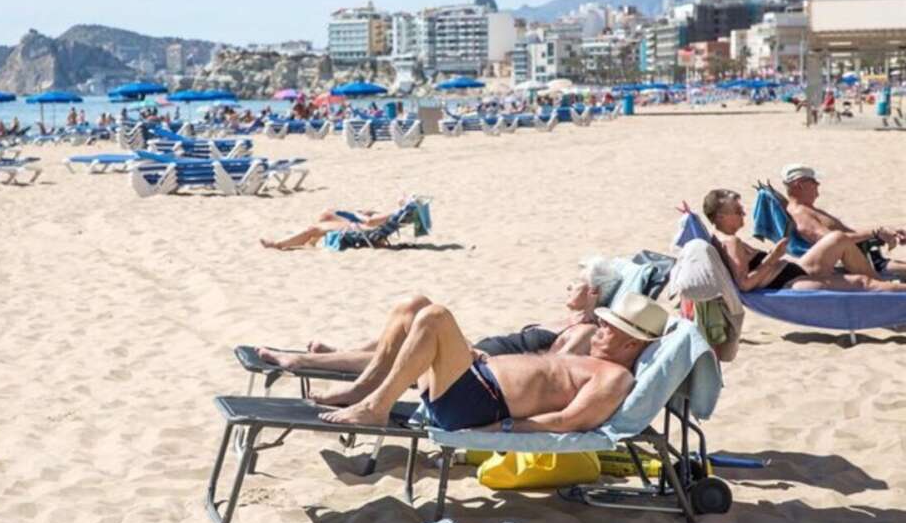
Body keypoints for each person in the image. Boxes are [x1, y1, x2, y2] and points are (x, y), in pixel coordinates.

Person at [317, 292, 668, 431]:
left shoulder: (614, 377)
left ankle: (376, 407)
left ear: (632, 341)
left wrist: (501, 431)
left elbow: (568, 420)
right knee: (413, 305)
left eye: (610, 326)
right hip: (473, 379)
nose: (601, 327)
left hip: (477, 404)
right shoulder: (588, 356)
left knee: (435, 317)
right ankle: (364, 389)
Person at [257, 269, 621, 394]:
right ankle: (333, 355)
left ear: (593, 293)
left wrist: (485, 359)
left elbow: (552, 371)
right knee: (412, 306)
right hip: (479, 355)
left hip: (484, 370)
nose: (567, 287)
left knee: (421, 317)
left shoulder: (587, 331)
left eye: (576, 283)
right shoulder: (565, 321)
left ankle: (304, 359)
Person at [703, 189, 906, 293]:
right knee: (863, 282)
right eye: (737, 211)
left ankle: (884, 291)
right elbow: (745, 284)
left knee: (838, 239)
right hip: (788, 282)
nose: (744, 214)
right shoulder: (731, 242)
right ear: (720, 216)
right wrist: (774, 256)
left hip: (790, 272)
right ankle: (885, 291)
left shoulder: (718, 238)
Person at [780, 164, 905, 275]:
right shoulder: (801, 213)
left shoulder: (806, 209)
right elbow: (833, 241)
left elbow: (845, 234)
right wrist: (875, 233)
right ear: (800, 185)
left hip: (865, 256)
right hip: (858, 264)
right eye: (813, 181)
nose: (818, 184)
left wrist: (883, 232)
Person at [259, 201, 405, 250]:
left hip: (360, 230)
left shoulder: (388, 215)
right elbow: (372, 220)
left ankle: (278, 244)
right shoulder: (391, 215)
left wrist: (359, 215)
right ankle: (311, 242)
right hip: (361, 226)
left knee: (313, 229)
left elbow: (370, 223)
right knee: (328, 213)